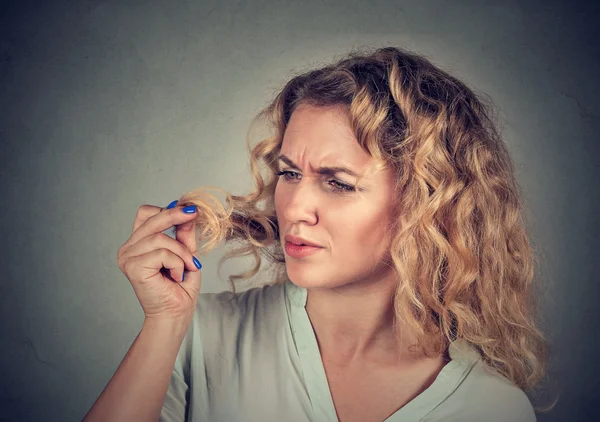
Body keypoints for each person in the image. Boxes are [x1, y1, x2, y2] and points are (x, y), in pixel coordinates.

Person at [83, 46, 554, 422]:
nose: (293, 208)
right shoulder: (203, 335)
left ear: (427, 205)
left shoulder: (488, 408)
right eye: (289, 174)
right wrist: (164, 322)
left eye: (337, 183)